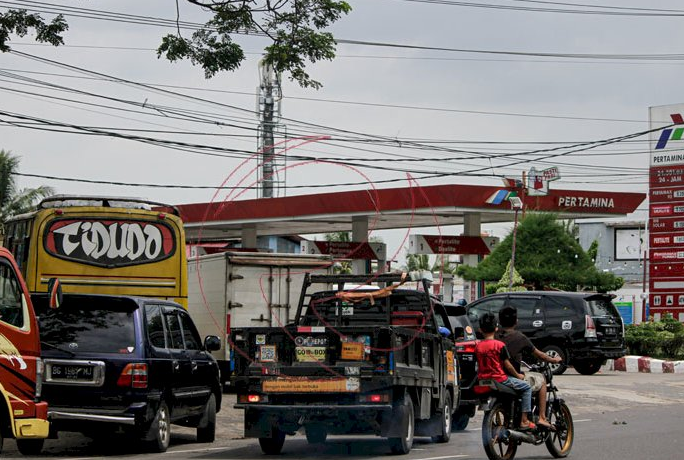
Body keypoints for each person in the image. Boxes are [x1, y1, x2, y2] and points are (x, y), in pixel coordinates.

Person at [497, 306, 563, 430]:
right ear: (516, 321)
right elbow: (539, 355)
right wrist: (554, 359)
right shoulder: (520, 337)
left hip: (497, 377)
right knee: (541, 380)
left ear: (500, 321)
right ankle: (542, 418)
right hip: (511, 376)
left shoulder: (495, 336)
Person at [475, 312, 535, 430]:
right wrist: (518, 375)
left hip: (483, 380)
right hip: (500, 379)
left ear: (480, 330)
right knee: (527, 388)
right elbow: (508, 366)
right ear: (496, 328)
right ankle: (524, 420)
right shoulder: (499, 345)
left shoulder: (478, 346)